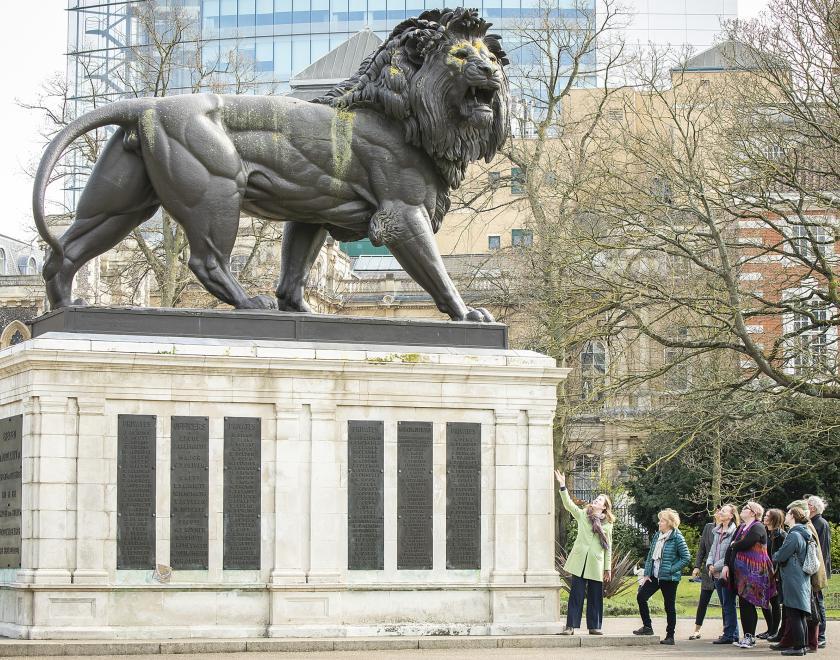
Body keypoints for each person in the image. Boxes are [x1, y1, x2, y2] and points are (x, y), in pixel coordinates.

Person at [554, 469, 614, 635]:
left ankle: (594, 626)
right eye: (597, 498)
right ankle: (570, 626)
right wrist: (563, 485)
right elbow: (569, 505)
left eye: (600, 499)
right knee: (576, 594)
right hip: (580, 561)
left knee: (595, 596)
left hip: (596, 563)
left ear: (604, 507)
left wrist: (607, 568)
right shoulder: (583, 515)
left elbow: (608, 548)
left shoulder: (608, 525)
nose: (596, 500)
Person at [721, 501, 776, 649]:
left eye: (746, 508)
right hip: (741, 572)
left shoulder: (757, 526)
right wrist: (726, 565)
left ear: (753, 513)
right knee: (744, 604)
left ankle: (750, 637)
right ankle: (747, 636)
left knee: (748, 603)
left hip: (755, 572)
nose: (743, 510)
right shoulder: (741, 527)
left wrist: (734, 544)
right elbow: (731, 547)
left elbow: (745, 543)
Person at [634, 508, 691, 646]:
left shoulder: (677, 537)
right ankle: (647, 627)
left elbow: (686, 558)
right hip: (654, 576)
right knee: (641, 596)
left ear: (670, 523)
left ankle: (670, 636)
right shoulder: (657, 535)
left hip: (669, 578)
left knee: (669, 606)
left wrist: (671, 569)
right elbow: (650, 556)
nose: (659, 523)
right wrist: (647, 573)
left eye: (662, 520)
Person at [772, 506, 813, 657]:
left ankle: (798, 647)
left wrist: (776, 555)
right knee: (800, 613)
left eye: (788, 513)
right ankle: (802, 646)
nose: (786, 516)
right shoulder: (804, 532)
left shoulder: (794, 535)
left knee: (794, 613)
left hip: (792, 577)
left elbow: (781, 555)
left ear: (793, 516)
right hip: (800, 577)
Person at [705, 503, 740, 645]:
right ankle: (732, 633)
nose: (720, 512)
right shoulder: (716, 530)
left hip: (726, 573)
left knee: (728, 604)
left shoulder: (734, 532)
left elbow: (729, 553)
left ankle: (730, 634)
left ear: (731, 515)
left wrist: (716, 566)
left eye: (724, 511)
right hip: (716, 573)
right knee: (725, 605)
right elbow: (712, 550)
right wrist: (709, 564)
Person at [689, 512, 719, 640]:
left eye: (721, 510)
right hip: (708, 570)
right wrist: (696, 566)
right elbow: (702, 549)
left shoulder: (732, 529)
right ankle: (697, 630)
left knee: (726, 603)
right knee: (703, 601)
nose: (717, 512)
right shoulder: (708, 527)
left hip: (722, 571)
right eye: (717, 510)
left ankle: (728, 630)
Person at [807, 495, 831, 649]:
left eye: (808, 505)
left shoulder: (820, 523)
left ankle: (821, 635)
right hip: (817, 568)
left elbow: (820, 550)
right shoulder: (815, 523)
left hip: (817, 570)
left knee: (818, 602)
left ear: (813, 508)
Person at [759, 508, 786, 640]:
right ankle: (770, 629)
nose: (764, 517)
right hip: (763, 572)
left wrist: (775, 574)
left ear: (774, 519)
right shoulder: (764, 533)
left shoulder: (780, 535)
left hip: (774, 574)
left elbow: (781, 556)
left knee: (774, 602)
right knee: (764, 601)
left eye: (768, 515)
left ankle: (775, 630)